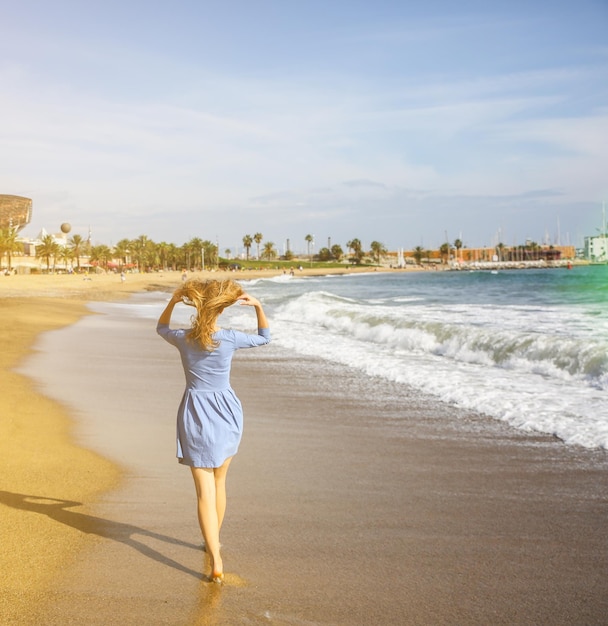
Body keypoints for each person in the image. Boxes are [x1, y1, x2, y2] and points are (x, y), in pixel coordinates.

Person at [156, 279, 270, 584]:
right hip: (228, 411)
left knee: (203, 490)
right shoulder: (230, 338)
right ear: (220, 308)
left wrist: (173, 300)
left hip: (195, 412)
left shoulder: (183, 337)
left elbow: (161, 328)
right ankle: (214, 543)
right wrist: (258, 306)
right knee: (220, 482)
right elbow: (264, 337)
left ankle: (216, 559)